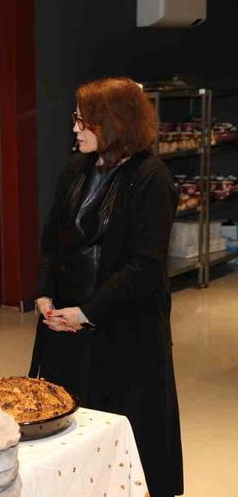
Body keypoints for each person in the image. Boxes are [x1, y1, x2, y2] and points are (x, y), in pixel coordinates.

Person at [29, 77, 183, 497]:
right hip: (66, 325)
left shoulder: (151, 177)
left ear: (113, 122)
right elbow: (52, 239)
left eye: (84, 120)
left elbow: (144, 266)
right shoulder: (75, 169)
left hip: (125, 331)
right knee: (70, 430)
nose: (75, 128)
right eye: (76, 118)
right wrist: (44, 292)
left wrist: (88, 312)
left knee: (122, 434)